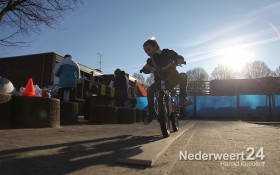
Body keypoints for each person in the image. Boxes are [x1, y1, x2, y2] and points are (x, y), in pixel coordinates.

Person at [141, 38, 191, 125]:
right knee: (149, 89)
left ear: (155, 46)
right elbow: (146, 68)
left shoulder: (166, 52)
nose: (148, 53)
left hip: (172, 79)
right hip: (159, 82)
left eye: (149, 49)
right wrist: (145, 69)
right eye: (146, 52)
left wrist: (179, 59)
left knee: (183, 76)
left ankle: (183, 98)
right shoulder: (150, 61)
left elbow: (176, 56)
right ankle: (151, 112)